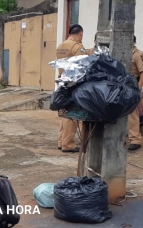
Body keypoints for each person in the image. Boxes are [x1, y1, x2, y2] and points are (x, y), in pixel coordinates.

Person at [55, 24, 90, 153]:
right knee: (73, 114)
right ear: (80, 34)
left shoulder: (61, 46)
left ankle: (61, 141)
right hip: (73, 84)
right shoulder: (77, 46)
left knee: (64, 113)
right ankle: (68, 144)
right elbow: (83, 64)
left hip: (62, 82)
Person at [128, 35, 143, 151]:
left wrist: (138, 88)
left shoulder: (139, 55)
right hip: (122, 87)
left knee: (133, 113)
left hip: (133, 86)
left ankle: (135, 140)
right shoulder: (122, 52)